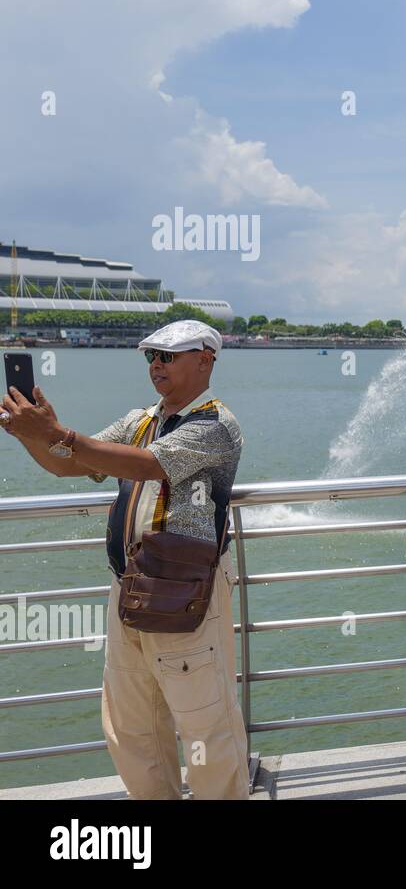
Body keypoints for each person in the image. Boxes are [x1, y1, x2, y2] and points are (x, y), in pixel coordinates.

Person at [2, 320, 247, 799]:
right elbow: (70, 462)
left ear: (205, 359)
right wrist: (32, 434)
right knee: (132, 729)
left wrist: (59, 434)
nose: (156, 365)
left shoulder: (216, 425)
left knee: (206, 726)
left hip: (187, 593)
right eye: (150, 356)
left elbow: (146, 465)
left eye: (167, 356)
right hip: (130, 587)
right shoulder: (140, 420)